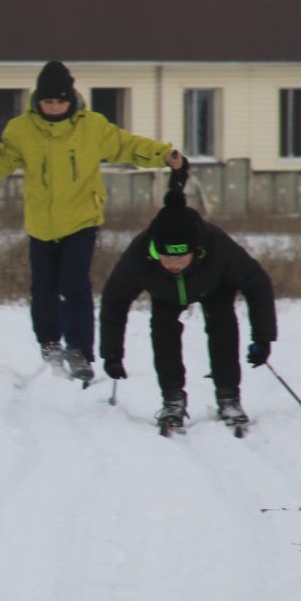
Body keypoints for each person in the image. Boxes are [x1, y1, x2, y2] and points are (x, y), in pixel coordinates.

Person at [0, 60, 182, 386]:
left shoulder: (92, 127)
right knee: (43, 287)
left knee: (74, 284)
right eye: (47, 101)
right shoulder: (20, 129)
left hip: (81, 219)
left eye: (60, 101)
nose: (53, 107)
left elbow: (126, 145)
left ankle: (79, 350)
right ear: (37, 100)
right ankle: (49, 342)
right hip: (40, 223)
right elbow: (3, 164)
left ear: (71, 100)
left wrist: (163, 154)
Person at [98, 168, 277, 433]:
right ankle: (173, 400)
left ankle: (229, 398)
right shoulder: (140, 255)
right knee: (163, 331)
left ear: (196, 251)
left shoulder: (217, 246)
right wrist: (112, 353)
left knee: (223, 325)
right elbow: (115, 300)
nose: (173, 265)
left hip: (214, 287)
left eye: (180, 258)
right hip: (165, 294)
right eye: (166, 257)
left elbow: (258, 284)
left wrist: (263, 338)